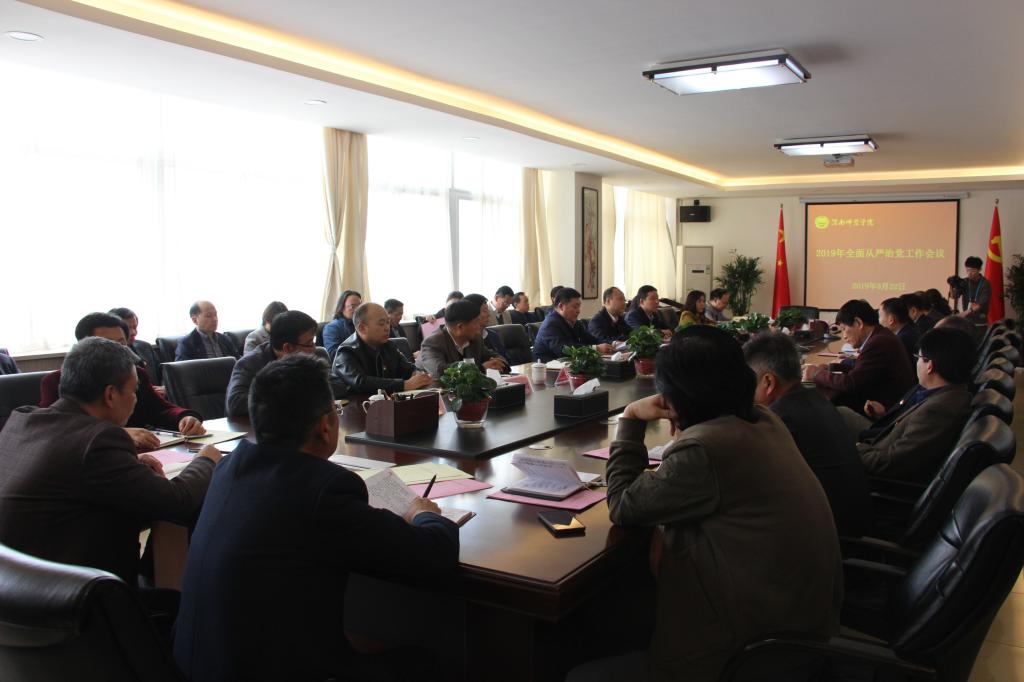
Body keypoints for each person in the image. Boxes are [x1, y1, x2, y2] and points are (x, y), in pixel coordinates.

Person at [574, 326, 841, 682]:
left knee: (584, 666)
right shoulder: (765, 419)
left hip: (750, 651)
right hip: (798, 624)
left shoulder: (706, 449)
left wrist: (631, 419)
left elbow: (623, 504)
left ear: (676, 397)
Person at [173, 354, 458, 682]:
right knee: (427, 662)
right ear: (325, 426)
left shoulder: (227, 468)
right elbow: (434, 554)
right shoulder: (323, 490)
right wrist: (424, 514)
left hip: (192, 666)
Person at [0, 336, 218, 585]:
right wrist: (206, 460)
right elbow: (177, 502)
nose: (136, 399)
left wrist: (130, 466)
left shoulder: (22, 419)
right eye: (134, 391)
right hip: (76, 596)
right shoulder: (98, 441)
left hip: (15, 588)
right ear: (111, 395)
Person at [743, 332, 873, 537]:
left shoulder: (780, 420)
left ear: (768, 382)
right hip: (855, 522)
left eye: (749, 384)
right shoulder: (818, 400)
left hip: (832, 538)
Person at [40, 312, 205, 451]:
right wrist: (118, 433)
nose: (117, 351)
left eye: (121, 344)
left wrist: (184, 417)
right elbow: (56, 429)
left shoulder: (135, 375)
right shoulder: (57, 380)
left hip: (145, 453)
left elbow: (160, 409)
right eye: (107, 344)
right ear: (83, 346)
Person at [841, 327, 975, 484]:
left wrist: (855, 448)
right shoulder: (946, 393)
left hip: (872, 471)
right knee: (840, 413)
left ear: (930, 366)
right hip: (882, 438)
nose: (917, 362)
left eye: (919, 357)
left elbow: (891, 462)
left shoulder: (938, 410)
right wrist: (883, 415)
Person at [802, 299, 915, 413]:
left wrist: (816, 373)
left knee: (819, 404)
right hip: (886, 403)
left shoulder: (878, 342)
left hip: (884, 413)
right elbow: (863, 370)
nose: (844, 336)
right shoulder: (881, 335)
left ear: (858, 323)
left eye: (844, 329)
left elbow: (851, 383)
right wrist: (831, 367)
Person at [225, 310, 321, 418]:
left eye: (313, 342)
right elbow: (236, 404)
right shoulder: (249, 364)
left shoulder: (307, 359)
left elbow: (333, 385)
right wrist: (290, 396)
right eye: (309, 344)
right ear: (288, 348)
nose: (313, 349)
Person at [332, 302, 433, 394]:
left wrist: (418, 375)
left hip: (388, 403)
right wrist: (404, 385)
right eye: (381, 323)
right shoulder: (346, 352)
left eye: (388, 322)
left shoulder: (388, 345)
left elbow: (408, 369)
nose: (387, 328)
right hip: (357, 405)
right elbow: (361, 382)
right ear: (362, 328)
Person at [418, 299, 507, 378]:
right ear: (460, 327)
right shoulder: (433, 342)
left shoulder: (476, 339)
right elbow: (440, 372)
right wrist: (481, 368)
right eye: (476, 322)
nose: (479, 326)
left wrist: (498, 362)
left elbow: (493, 355)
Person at [532, 287, 613, 362]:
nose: (578, 311)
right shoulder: (550, 324)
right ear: (561, 306)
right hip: (547, 367)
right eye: (575, 307)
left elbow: (591, 340)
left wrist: (612, 344)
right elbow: (564, 349)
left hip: (568, 363)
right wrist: (596, 348)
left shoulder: (574, 322)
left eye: (579, 306)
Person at [176, 300, 240, 360]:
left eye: (215, 315)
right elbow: (181, 367)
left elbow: (238, 361)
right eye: (208, 316)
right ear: (194, 320)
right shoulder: (186, 343)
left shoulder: (224, 339)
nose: (215, 319)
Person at [465, 293, 511, 370]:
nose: (489, 314)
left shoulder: (493, 335)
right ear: (472, 314)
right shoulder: (467, 338)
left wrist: (497, 361)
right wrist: (484, 367)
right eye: (485, 311)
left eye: (488, 310)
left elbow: (505, 359)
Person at [322, 290, 362, 359]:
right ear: (341, 308)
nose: (358, 310)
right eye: (353, 306)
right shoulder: (332, 327)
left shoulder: (363, 324)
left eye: (360, 306)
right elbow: (333, 354)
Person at [879, 297, 920, 363]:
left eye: (880, 316)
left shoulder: (900, 340)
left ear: (891, 320)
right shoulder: (911, 330)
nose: (879, 321)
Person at [951, 256, 991, 322]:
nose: (969, 273)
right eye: (967, 270)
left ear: (979, 269)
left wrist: (965, 313)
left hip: (980, 319)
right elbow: (954, 296)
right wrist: (953, 285)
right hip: (966, 319)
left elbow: (982, 304)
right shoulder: (965, 282)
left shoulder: (985, 283)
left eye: (972, 270)